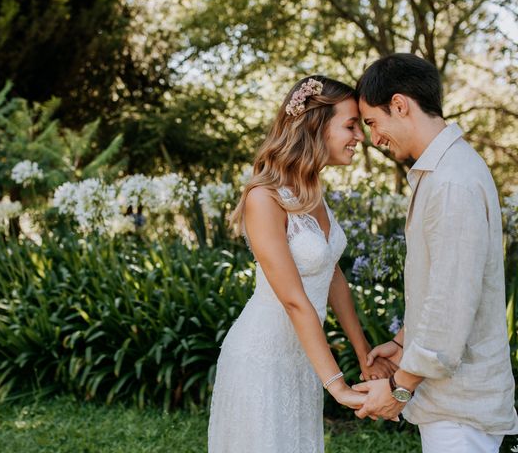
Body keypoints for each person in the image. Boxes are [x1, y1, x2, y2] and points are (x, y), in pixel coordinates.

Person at [207, 75, 396, 453]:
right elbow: (294, 300)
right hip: (260, 362)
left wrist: (364, 356)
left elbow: (333, 275)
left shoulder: (314, 191)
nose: (360, 137)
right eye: (350, 125)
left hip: (303, 361)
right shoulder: (265, 198)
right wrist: (337, 385)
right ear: (316, 125)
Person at [352, 53, 518, 452]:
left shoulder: (451, 183)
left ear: (399, 104)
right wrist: (404, 340)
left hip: (461, 410)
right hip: (452, 404)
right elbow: (445, 285)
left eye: (373, 122)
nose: (373, 139)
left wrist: (398, 388)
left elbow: (449, 307)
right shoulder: (442, 173)